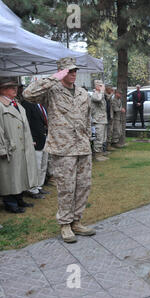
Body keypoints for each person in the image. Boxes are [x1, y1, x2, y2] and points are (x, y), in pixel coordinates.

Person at [23, 57, 96, 243]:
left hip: (82, 147)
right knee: (66, 187)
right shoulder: (52, 91)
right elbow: (28, 94)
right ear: (61, 71)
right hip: (62, 148)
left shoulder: (82, 93)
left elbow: (87, 117)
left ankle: (76, 221)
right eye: (68, 71)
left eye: (74, 71)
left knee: (83, 186)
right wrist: (54, 77)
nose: (73, 74)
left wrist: (87, 137)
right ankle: (65, 224)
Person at [0, 77, 38, 213]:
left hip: (21, 146)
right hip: (10, 147)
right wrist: (2, 148)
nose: (15, 89)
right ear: (3, 90)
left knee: (19, 175)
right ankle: (10, 203)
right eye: (11, 87)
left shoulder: (16, 103)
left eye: (15, 87)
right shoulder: (1, 105)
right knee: (9, 177)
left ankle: (19, 199)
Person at [18, 86, 50, 198]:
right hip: (35, 140)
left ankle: (39, 186)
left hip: (45, 139)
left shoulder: (41, 105)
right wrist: (31, 139)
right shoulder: (27, 104)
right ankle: (32, 189)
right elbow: (26, 124)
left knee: (43, 165)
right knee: (35, 166)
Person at [90, 80, 109, 162]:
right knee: (98, 138)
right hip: (98, 120)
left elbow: (107, 98)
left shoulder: (101, 94)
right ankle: (97, 155)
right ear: (96, 86)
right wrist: (101, 91)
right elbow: (98, 99)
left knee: (103, 138)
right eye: (100, 85)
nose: (102, 87)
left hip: (103, 119)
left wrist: (103, 92)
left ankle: (100, 153)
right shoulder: (95, 94)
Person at [104, 84, 116, 152]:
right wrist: (112, 94)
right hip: (105, 116)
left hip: (109, 115)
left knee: (110, 131)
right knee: (106, 132)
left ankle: (108, 145)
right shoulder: (105, 95)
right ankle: (105, 147)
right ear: (106, 89)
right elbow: (107, 98)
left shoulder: (110, 96)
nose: (111, 90)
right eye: (110, 89)